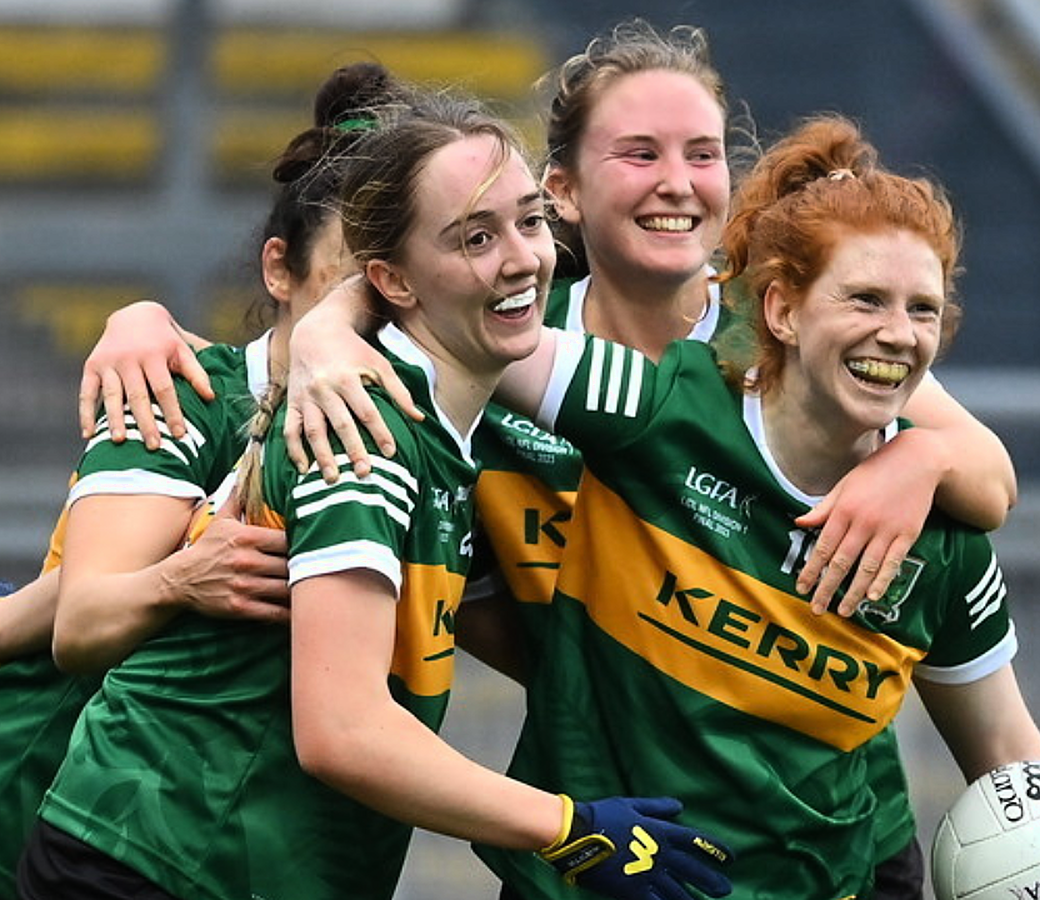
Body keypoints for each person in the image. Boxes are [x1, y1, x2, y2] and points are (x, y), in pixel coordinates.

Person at [72, 20, 1017, 896]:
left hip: (817, 836)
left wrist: (918, 462)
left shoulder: (793, 343)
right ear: (563, 191)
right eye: (637, 153)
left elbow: (984, 472)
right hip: (593, 831)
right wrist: (291, 332)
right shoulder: (499, 355)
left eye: (702, 153)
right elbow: (394, 292)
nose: (677, 182)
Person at [23, 82, 732, 900]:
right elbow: (343, 732)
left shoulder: (441, 418)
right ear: (390, 281)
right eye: (474, 238)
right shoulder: (360, 433)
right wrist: (569, 828)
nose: (523, 259)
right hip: (164, 858)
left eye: (531, 222)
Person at [473, 112, 1040, 900]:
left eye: (922, 310)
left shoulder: (946, 541)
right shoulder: (658, 407)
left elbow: (1010, 759)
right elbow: (453, 326)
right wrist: (331, 334)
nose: (896, 334)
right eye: (865, 300)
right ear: (780, 311)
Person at [13, 63, 389, 900]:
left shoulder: (412, 437)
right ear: (280, 270)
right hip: (50, 802)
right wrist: (181, 578)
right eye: (352, 272)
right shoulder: (179, 391)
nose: (375, 304)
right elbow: (80, 623)